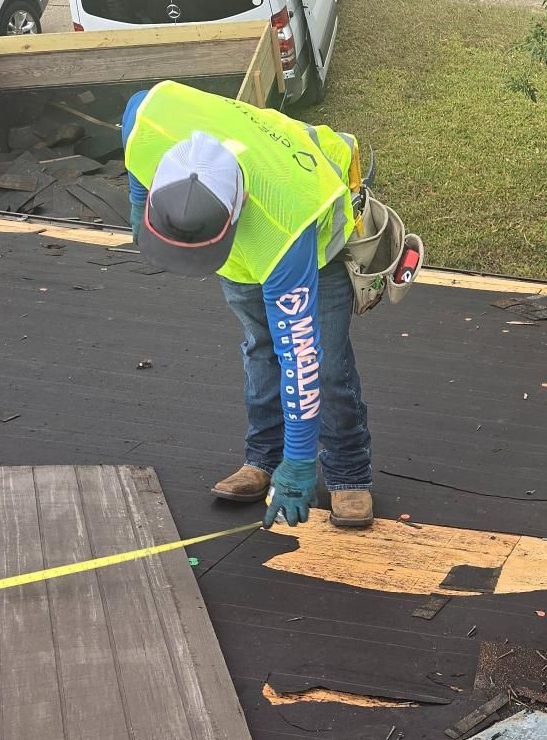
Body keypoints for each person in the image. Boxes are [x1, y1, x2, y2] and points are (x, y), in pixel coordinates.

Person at [121, 79, 374, 532]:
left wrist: (301, 464)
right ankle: (262, 459)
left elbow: (301, 357)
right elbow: (134, 111)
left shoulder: (284, 222)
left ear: (236, 211)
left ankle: (347, 472)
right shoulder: (153, 123)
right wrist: (140, 198)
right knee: (260, 346)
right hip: (245, 249)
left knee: (328, 362)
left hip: (317, 232)